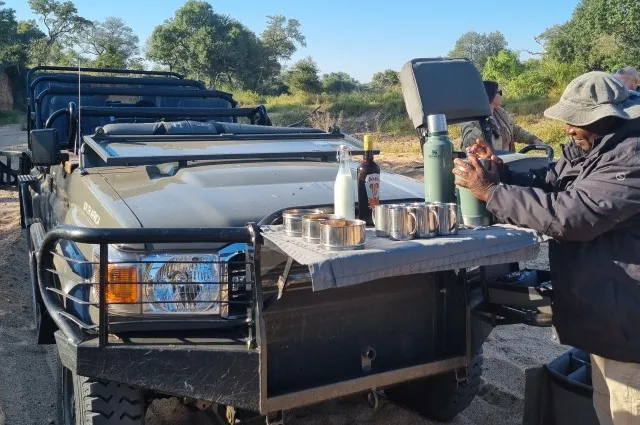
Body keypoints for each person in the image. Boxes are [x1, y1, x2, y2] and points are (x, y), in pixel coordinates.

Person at [453, 71, 640, 424]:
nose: (569, 128)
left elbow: (572, 216)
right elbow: (552, 179)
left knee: (628, 410)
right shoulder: (597, 143)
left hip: (630, 320)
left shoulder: (632, 156)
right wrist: (500, 174)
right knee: (608, 407)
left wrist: (491, 193)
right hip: (610, 319)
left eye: (576, 121)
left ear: (605, 117)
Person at [459, 80, 545, 152]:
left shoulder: (500, 112)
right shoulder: (470, 117)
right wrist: (483, 121)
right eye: (499, 92)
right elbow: (469, 144)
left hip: (505, 162)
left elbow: (515, 131)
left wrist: (534, 140)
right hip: (484, 166)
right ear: (490, 94)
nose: (501, 95)